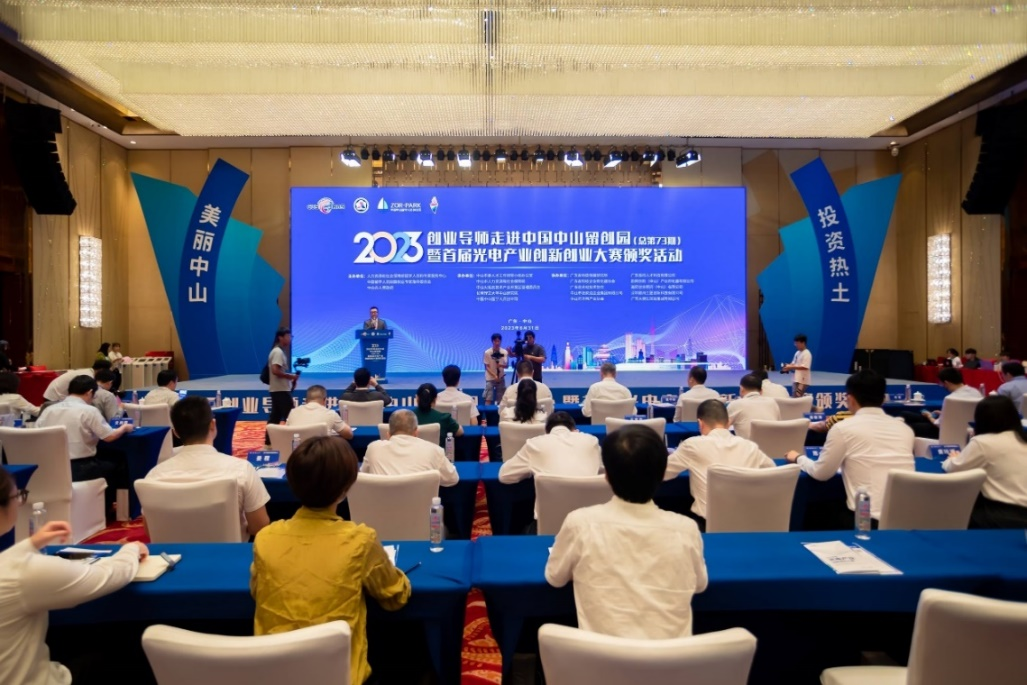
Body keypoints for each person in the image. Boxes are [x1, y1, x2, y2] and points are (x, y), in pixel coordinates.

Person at [252, 436, 411, 685]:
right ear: (346, 487)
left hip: (273, 675)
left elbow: (256, 591)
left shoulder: (265, 538)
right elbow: (395, 597)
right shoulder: (360, 540)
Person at [546, 424, 707, 638]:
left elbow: (555, 578)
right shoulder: (686, 529)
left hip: (599, 656)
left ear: (606, 476)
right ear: (662, 475)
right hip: (672, 658)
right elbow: (699, 584)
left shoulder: (580, 524)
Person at [0, 468, 148, 685]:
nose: (20, 502)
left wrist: (31, 544)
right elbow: (107, 575)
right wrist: (131, 549)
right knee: (129, 649)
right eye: (18, 496)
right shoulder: (23, 573)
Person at [786, 369, 914, 527]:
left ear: (850, 399)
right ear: (883, 399)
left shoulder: (843, 429)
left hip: (865, 522)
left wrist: (798, 458)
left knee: (816, 511)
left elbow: (821, 473)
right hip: (907, 519)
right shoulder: (905, 430)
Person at [145, 397, 271, 540]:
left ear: (176, 433)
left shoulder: (154, 475)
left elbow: (152, 531)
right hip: (229, 553)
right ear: (212, 425)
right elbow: (259, 526)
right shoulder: (241, 469)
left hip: (174, 554)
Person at [665, 399, 775, 530]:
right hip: (749, 526)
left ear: (700, 423)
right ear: (728, 423)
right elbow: (773, 473)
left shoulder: (692, 445)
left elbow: (662, 473)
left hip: (707, 526)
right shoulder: (750, 447)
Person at [37, 375, 134, 518]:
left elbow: (37, 433)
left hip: (51, 467)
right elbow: (109, 437)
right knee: (119, 459)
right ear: (89, 392)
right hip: (81, 468)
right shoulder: (89, 410)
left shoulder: (48, 410)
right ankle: (112, 510)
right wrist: (124, 428)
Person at [942, 395, 1027, 528]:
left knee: (950, 510)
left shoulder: (983, 442)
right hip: (1016, 513)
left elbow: (954, 469)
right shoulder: (1022, 439)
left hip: (1001, 516)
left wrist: (952, 458)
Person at [499, 411, 602, 485]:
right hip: (592, 508)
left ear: (546, 432)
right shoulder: (591, 441)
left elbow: (504, 475)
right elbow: (607, 470)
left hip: (550, 509)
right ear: (574, 430)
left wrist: (530, 469)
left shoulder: (535, 444)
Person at [361, 409, 459, 486]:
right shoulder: (434, 450)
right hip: (421, 506)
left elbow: (363, 476)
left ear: (388, 434)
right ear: (416, 432)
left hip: (380, 506)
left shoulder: (373, 449)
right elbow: (452, 479)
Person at [902, 367, 981, 439]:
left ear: (946, 383)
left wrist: (929, 416)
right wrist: (943, 413)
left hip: (947, 431)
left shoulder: (951, 399)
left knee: (909, 426)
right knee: (907, 415)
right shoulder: (976, 393)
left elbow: (939, 424)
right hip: (969, 430)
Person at [286, 385, 353, 439]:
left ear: (306, 400)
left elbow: (285, 432)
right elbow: (349, 435)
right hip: (321, 452)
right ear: (325, 400)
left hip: (297, 451)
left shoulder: (293, 412)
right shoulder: (330, 414)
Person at [726, 374, 781, 439]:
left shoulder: (735, 404)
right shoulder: (772, 403)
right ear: (761, 391)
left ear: (741, 389)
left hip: (746, 445)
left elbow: (721, 429)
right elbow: (778, 426)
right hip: (773, 444)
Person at [267, 328, 299, 435]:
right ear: (280, 337)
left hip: (277, 389)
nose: (290, 339)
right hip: (280, 390)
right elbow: (275, 370)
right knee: (291, 417)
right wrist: (290, 377)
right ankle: (293, 439)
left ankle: (268, 441)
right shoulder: (278, 352)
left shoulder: (277, 351)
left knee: (275, 418)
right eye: (288, 336)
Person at [42, 359, 111, 403]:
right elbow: (85, 395)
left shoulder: (88, 372)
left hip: (56, 394)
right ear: (101, 369)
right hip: (54, 397)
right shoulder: (88, 376)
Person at [483, 334, 509, 405]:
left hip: (500, 378)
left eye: (498, 341)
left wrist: (500, 365)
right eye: (495, 341)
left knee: (501, 399)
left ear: (500, 341)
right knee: (488, 398)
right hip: (490, 378)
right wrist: (494, 375)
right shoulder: (487, 352)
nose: (497, 343)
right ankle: (487, 412)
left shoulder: (504, 352)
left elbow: (506, 366)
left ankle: (500, 412)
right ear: (492, 341)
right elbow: (487, 367)